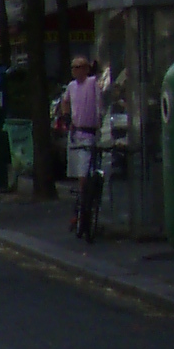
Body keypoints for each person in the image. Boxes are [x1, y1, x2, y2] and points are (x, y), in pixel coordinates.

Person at [65, 55, 105, 242]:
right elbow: (65, 101)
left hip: (90, 134)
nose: (76, 70)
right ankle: (81, 209)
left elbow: (99, 102)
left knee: (86, 174)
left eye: (80, 67)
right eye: (74, 67)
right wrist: (67, 118)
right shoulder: (71, 87)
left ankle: (85, 207)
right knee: (79, 176)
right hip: (77, 134)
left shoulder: (92, 83)